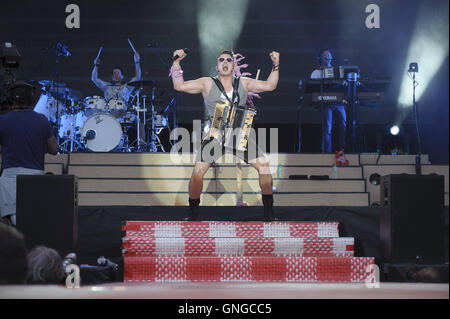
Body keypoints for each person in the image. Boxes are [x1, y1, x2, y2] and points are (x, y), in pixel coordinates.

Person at [170, 49, 280, 221]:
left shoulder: (243, 82)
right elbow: (179, 86)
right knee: (198, 171)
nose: (225, 62)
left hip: (239, 132)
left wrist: (276, 65)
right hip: (214, 132)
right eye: (221, 59)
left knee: (264, 166)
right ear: (217, 65)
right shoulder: (207, 83)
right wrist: (176, 63)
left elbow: (270, 86)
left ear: (233, 65)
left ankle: (269, 213)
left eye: (229, 59)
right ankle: (193, 213)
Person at [0, 81, 58, 225]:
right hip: (35, 177)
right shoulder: (42, 121)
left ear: (11, 99)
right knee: (33, 222)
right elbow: (54, 150)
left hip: (9, 177)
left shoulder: (2, 121)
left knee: (12, 221)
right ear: (32, 99)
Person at [91, 47, 146, 146]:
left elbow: (137, 77)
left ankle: (141, 145)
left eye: (118, 73)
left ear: (122, 76)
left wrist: (137, 62)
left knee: (139, 121)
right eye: (114, 73)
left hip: (124, 115)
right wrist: (96, 65)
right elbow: (94, 78)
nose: (116, 75)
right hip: (109, 115)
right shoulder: (107, 87)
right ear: (112, 77)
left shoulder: (127, 87)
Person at [310, 48, 348, 165]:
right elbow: (312, 86)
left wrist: (345, 83)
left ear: (331, 57)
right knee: (328, 127)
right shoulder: (317, 71)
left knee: (343, 123)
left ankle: (342, 150)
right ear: (320, 58)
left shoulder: (338, 71)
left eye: (329, 55)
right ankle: (327, 151)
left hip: (338, 101)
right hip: (326, 102)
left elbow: (344, 84)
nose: (327, 57)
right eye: (324, 55)